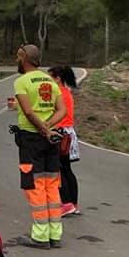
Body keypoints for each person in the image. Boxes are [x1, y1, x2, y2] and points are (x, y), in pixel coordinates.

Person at [12, 44, 66, 250]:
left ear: (23, 58)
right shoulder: (50, 82)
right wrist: (49, 127)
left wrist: (42, 128)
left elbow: (28, 112)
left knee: (34, 186)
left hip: (31, 139)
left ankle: (40, 236)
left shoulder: (21, 82)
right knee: (52, 185)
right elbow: (62, 110)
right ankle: (55, 234)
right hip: (50, 139)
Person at [49, 66, 82, 217]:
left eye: (50, 78)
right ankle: (74, 204)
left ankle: (66, 203)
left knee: (60, 170)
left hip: (61, 134)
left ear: (57, 78)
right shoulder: (67, 92)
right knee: (67, 170)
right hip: (69, 133)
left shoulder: (58, 93)